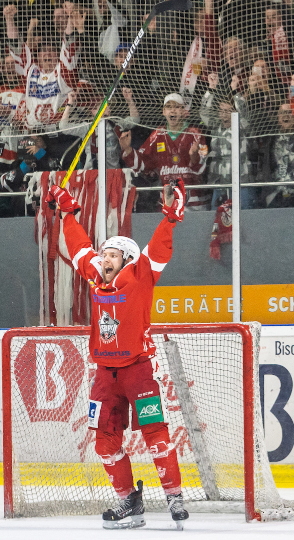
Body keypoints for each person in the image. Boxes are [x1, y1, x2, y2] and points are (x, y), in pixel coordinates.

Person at [43, 178, 189, 530]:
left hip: (138, 370)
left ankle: (174, 495)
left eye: (112, 255)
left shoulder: (140, 275)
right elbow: (79, 247)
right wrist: (67, 213)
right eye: (104, 253)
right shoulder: (97, 277)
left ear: (127, 260)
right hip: (104, 375)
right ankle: (128, 500)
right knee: (105, 442)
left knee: (155, 433)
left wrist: (169, 219)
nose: (104, 258)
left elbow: (157, 250)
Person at [119, 93, 207, 209]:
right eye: (169, 107)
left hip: (193, 203)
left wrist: (194, 156)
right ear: (164, 111)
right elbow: (144, 166)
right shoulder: (157, 134)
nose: (172, 111)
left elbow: (202, 169)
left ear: (183, 111)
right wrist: (128, 149)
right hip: (166, 202)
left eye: (176, 107)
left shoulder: (195, 133)